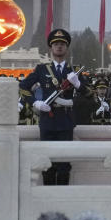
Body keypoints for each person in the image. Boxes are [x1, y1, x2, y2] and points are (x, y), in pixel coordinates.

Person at [18, 28, 85, 185]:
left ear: (67, 48)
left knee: (64, 165)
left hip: (66, 122)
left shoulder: (74, 71)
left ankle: (61, 201)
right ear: (51, 48)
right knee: (47, 163)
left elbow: (89, 95)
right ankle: (47, 201)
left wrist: (78, 84)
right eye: (56, 44)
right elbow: (23, 87)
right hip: (47, 121)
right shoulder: (42, 69)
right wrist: (35, 102)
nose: (59, 47)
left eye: (62, 44)